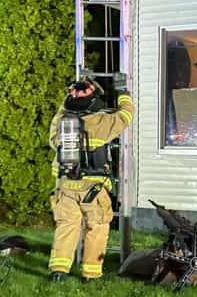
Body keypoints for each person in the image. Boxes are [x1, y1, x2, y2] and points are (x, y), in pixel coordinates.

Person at [47, 74, 134, 283]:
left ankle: (59, 272)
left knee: (67, 226)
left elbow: (54, 135)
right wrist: (122, 91)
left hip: (65, 186)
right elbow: (126, 115)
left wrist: (71, 95)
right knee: (97, 226)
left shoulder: (61, 122)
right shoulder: (101, 122)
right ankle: (91, 274)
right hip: (93, 189)